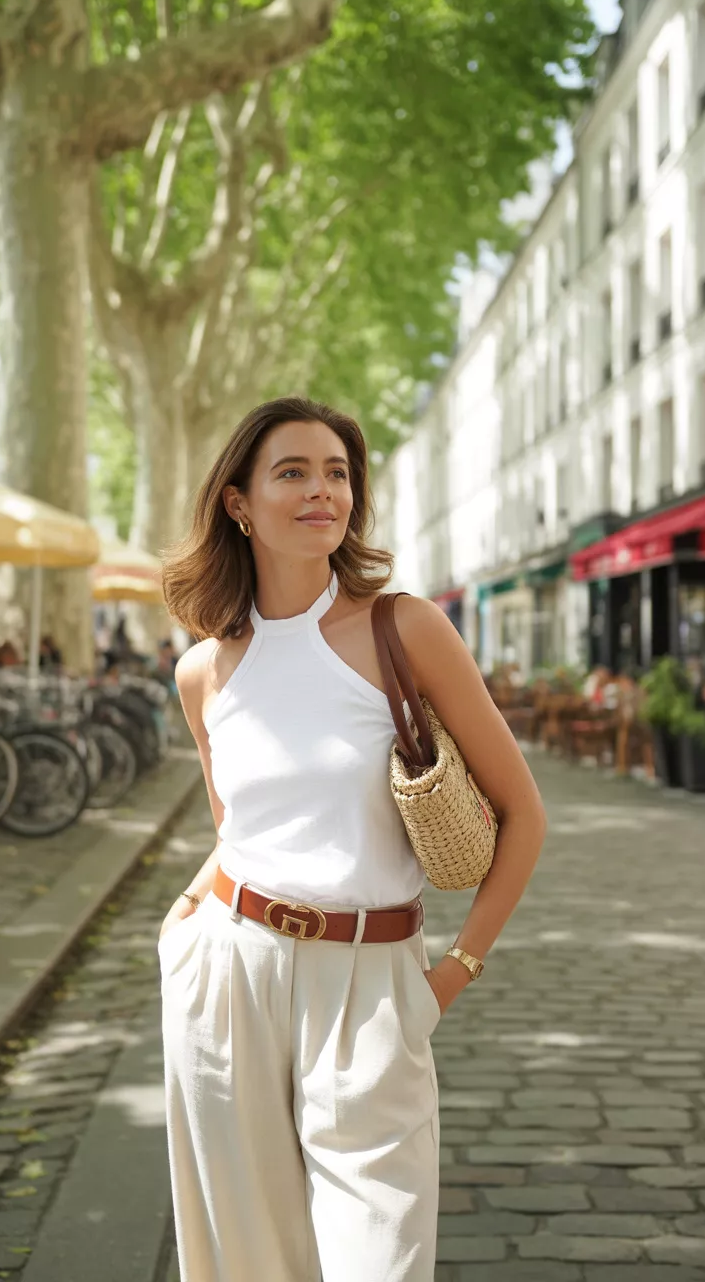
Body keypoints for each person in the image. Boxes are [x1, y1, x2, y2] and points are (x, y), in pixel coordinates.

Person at [157, 397, 547, 1282]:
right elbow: (237, 829)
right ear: (239, 503)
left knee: (382, 1258)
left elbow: (523, 814)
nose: (322, 491)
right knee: (246, 1263)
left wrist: (450, 977)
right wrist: (180, 930)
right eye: (292, 472)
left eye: (337, 473)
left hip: (374, 981)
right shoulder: (203, 671)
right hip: (228, 977)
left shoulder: (403, 628)